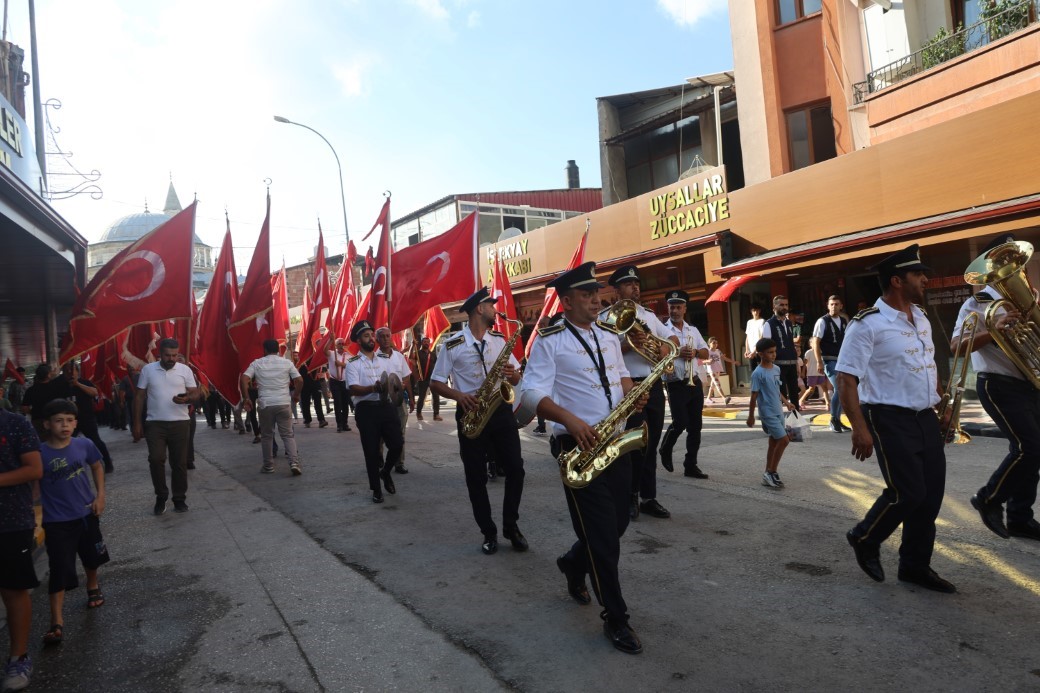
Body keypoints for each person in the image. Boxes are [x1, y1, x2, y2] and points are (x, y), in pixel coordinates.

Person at [521, 261, 647, 654]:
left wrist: (632, 394)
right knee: (603, 538)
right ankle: (616, 617)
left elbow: (620, 374)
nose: (597, 300)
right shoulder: (550, 340)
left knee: (618, 523)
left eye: (596, 293)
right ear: (567, 301)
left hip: (615, 440)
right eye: (587, 294)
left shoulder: (609, 334)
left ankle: (574, 563)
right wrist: (570, 420)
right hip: (578, 448)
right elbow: (530, 394)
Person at [838, 244, 955, 593]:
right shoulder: (867, 324)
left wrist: (941, 404)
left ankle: (915, 566)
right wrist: (859, 428)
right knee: (908, 492)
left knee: (930, 497)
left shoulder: (921, 317)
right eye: (918, 274)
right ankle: (865, 537)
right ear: (896, 281)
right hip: (888, 417)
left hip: (925, 417)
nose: (924, 280)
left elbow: (927, 364)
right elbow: (846, 378)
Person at [955, 233, 1040, 541]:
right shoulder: (976, 304)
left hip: (1029, 383)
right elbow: (955, 347)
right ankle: (989, 498)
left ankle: (1020, 517)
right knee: (1028, 447)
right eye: (1009, 264)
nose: (1018, 270)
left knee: (1035, 452)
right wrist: (994, 331)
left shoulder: (1028, 297)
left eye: (1018, 264)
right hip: (998, 384)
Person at [430, 287, 527, 555]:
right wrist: (459, 396)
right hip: (471, 411)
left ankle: (511, 525)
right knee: (475, 477)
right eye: (491, 305)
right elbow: (435, 382)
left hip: (500, 410)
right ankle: (488, 531)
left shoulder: (499, 340)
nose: (496, 310)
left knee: (516, 469)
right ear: (479, 309)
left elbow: (516, 376)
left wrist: (513, 374)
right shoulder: (452, 345)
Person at [600, 265, 679, 521]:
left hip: (653, 383)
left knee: (651, 442)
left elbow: (672, 339)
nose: (635, 287)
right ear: (617, 290)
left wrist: (664, 349)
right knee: (634, 444)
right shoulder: (606, 317)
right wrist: (628, 344)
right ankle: (630, 495)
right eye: (628, 284)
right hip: (628, 385)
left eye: (636, 283)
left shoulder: (648, 315)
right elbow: (603, 353)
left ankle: (648, 497)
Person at [37, 399, 110, 646]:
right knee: (59, 567)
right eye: (58, 421)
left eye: (69, 420)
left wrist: (100, 496)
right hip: (56, 521)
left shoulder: (84, 445)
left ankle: (92, 585)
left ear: (76, 423)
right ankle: (56, 621)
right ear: (47, 424)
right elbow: (33, 485)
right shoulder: (40, 454)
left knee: (91, 556)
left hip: (86, 514)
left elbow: (97, 466)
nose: (65, 425)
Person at [0, 406, 42, 692]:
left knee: (13, 589)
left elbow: (34, 469)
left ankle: (19, 657)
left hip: (10, 521)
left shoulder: (14, 424)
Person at [133, 338, 199, 515]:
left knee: (179, 463)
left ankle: (179, 499)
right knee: (156, 459)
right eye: (168, 355)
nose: (172, 359)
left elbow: (195, 394)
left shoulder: (185, 370)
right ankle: (161, 496)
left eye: (174, 355)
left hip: (180, 423)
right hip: (155, 424)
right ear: (160, 354)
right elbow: (139, 396)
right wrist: (137, 423)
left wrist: (187, 399)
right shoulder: (148, 370)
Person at [345, 321, 408, 504]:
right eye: (366, 336)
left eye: (372, 335)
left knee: (397, 443)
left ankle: (385, 472)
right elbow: (353, 389)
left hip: (386, 406)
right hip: (366, 410)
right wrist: (373, 388)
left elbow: (393, 382)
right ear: (359, 340)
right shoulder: (352, 363)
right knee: (371, 451)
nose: (371, 338)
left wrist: (397, 386)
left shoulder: (384, 360)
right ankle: (376, 489)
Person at [657, 290, 710, 484]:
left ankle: (691, 465)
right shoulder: (662, 330)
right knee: (680, 422)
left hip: (693, 381)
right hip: (675, 383)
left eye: (678, 307)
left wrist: (695, 352)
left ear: (685, 309)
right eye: (672, 307)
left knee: (695, 426)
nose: (675, 311)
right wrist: (677, 352)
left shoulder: (692, 330)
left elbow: (706, 352)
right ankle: (665, 448)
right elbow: (658, 354)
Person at [242, 339, 304, 476]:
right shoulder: (287, 363)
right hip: (283, 403)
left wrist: (246, 398)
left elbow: (244, 379)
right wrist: (296, 395)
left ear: (264, 350)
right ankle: (294, 462)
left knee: (267, 436)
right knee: (288, 435)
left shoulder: (257, 363)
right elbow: (299, 380)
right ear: (278, 350)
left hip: (266, 404)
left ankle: (268, 465)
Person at [747, 338, 795, 488]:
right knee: (784, 440)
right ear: (761, 354)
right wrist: (750, 416)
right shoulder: (757, 373)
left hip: (778, 411)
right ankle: (771, 472)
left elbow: (776, 389)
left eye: (774, 351)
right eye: (770, 352)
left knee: (774, 442)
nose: (774, 355)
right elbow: (753, 396)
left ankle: (767, 473)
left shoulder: (776, 369)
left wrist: (786, 402)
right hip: (767, 413)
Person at [61, 362, 115, 474]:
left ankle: (107, 461)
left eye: (72, 370)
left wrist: (77, 384)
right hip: (69, 421)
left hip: (86, 418)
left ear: (77, 371)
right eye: (66, 370)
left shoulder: (84, 382)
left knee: (96, 441)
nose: (69, 372)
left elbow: (94, 393)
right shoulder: (61, 386)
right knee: (65, 442)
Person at [376, 327, 415, 474]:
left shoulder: (399, 356)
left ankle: (399, 463)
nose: (386, 339)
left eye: (388, 336)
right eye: (382, 336)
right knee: (381, 433)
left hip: (399, 400)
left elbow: (406, 378)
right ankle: (379, 457)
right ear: (377, 339)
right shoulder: (373, 358)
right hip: (381, 401)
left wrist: (411, 398)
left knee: (400, 432)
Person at [811, 295, 849, 432]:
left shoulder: (843, 321)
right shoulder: (822, 321)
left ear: (841, 306)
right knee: (839, 387)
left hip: (842, 360)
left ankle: (837, 419)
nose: (834, 306)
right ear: (827, 306)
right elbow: (816, 342)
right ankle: (833, 419)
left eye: (836, 304)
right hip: (829, 360)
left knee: (844, 389)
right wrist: (819, 362)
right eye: (831, 304)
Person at [762, 296, 801, 411]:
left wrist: (796, 363)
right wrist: (769, 365)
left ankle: (796, 419)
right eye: (781, 305)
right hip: (777, 365)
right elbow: (766, 346)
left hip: (791, 363)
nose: (784, 307)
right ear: (774, 306)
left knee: (794, 394)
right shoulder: (769, 324)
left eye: (786, 305)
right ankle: (779, 419)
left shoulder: (789, 323)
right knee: (780, 394)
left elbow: (791, 344)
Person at [21, 364, 71, 437]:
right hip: (54, 419)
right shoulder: (56, 387)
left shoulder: (31, 390)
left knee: (39, 441)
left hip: (37, 420)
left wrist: (33, 412)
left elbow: (24, 408)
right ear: (48, 375)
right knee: (55, 440)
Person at [326, 338, 353, 432]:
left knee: (345, 403)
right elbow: (324, 350)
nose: (341, 345)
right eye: (339, 343)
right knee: (337, 402)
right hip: (334, 381)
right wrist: (330, 340)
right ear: (336, 345)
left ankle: (345, 423)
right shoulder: (332, 353)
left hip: (345, 381)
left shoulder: (349, 355)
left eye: (343, 343)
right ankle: (339, 424)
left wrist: (340, 364)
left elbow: (351, 366)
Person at [414, 337, 442, 422]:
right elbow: (411, 358)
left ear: (429, 343)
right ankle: (418, 413)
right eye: (424, 342)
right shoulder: (418, 353)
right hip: (423, 379)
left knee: (436, 396)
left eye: (427, 342)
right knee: (422, 397)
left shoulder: (432, 354)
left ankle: (436, 415)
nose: (426, 343)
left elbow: (437, 366)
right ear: (422, 343)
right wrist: (412, 345)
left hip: (433, 379)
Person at [703, 336, 737, 405]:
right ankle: (724, 398)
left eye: (716, 343)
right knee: (717, 384)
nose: (715, 344)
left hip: (718, 369)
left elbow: (724, 358)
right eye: (713, 343)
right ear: (709, 343)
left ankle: (708, 398)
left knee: (713, 384)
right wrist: (708, 361)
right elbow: (703, 361)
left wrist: (733, 361)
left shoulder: (718, 351)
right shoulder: (707, 352)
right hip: (712, 370)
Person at [298, 362, 329, 429]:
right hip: (305, 385)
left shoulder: (316, 361)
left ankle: (321, 420)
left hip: (316, 384)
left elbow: (323, 370)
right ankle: (307, 420)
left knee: (318, 403)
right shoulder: (301, 363)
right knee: (305, 403)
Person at [744, 306, 765, 371]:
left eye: (757, 310)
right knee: (753, 372)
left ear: (759, 311)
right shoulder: (749, 322)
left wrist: (755, 351)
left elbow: (762, 336)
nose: (755, 312)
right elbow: (747, 337)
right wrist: (747, 350)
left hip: (759, 350)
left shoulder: (762, 321)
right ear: (751, 312)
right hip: (751, 351)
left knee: (761, 371)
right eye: (754, 311)